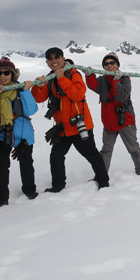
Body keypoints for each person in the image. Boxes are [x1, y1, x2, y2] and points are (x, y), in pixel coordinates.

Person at [31, 47, 109, 192]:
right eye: (50, 58)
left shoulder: (74, 73)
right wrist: (38, 87)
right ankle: (58, 186)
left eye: (56, 57)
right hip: (62, 128)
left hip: (79, 126)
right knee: (56, 157)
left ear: (63, 58)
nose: (53, 61)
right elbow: (38, 98)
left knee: (91, 154)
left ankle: (103, 181)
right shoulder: (50, 77)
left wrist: (61, 78)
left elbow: (78, 95)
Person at [0, 57, 38, 206]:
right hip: (0, 135)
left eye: (6, 73)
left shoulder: (21, 89)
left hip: (23, 135)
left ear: (13, 75)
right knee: (1, 166)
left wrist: (25, 92)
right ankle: (1, 198)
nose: (2, 76)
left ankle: (30, 190)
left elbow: (31, 110)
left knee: (26, 163)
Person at [85, 52, 140, 175]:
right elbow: (94, 86)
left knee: (133, 148)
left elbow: (121, 97)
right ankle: (102, 175)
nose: (109, 65)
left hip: (125, 120)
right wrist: (89, 75)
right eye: (106, 63)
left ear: (117, 64)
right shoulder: (102, 79)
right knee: (106, 150)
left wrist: (116, 80)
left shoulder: (125, 79)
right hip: (109, 122)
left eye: (112, 62)